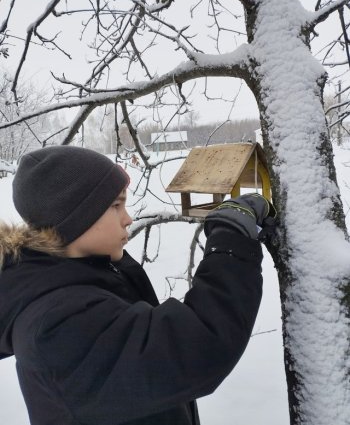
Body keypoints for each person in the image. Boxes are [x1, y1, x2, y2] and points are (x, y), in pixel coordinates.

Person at [0, 145, 276, 425]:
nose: (128, 218)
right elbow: (194, 347)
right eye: (115, 205)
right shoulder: (55, 324)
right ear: (76, 219)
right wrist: (231, 238)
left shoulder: (79, 281)